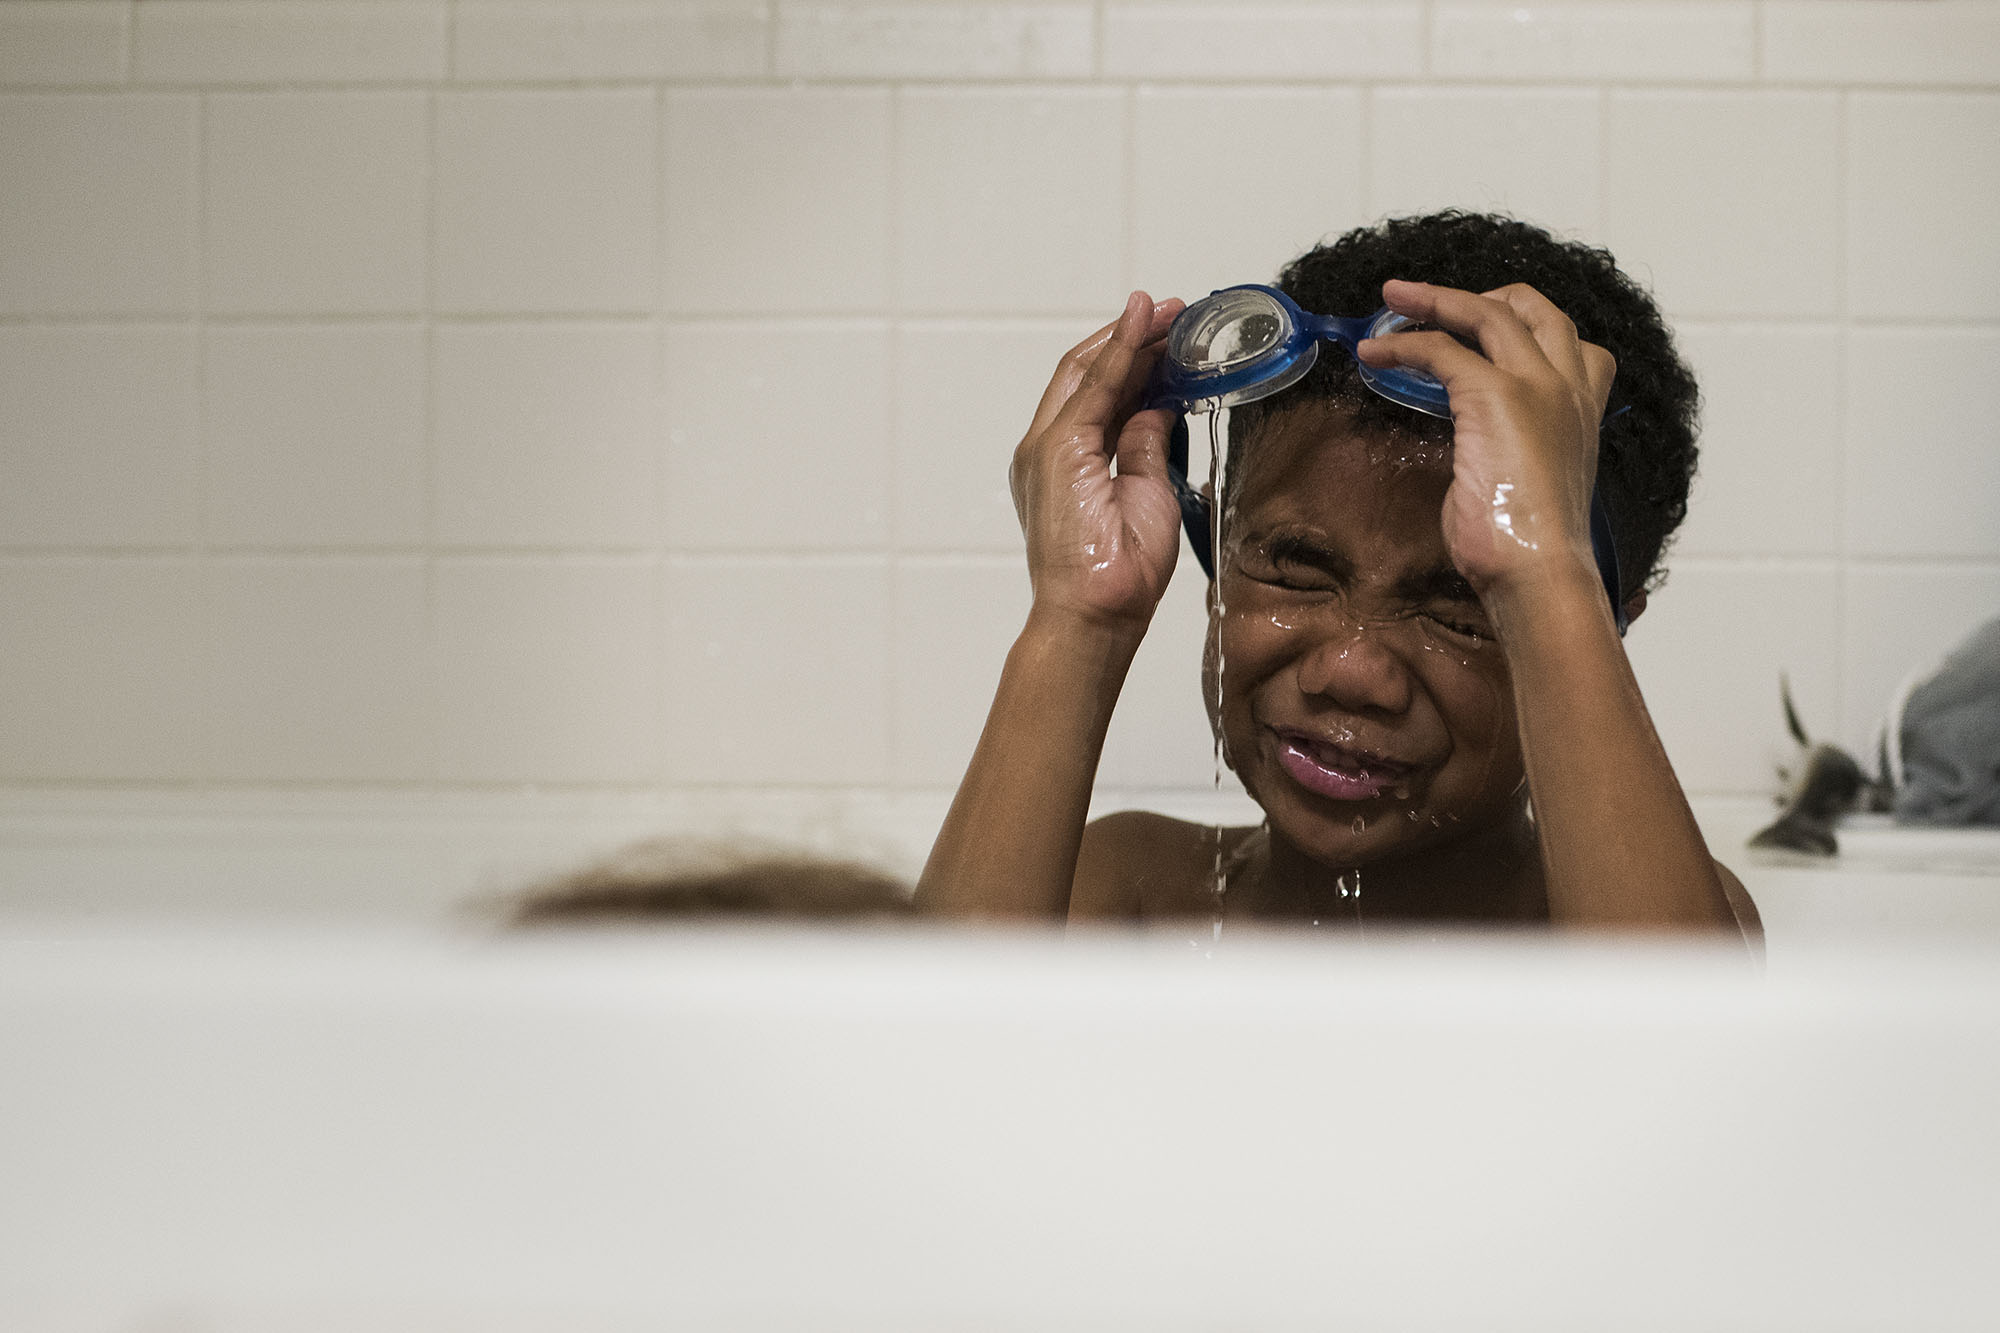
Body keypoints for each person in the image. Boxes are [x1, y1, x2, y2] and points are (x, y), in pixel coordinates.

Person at [915, 211, 1760, 938]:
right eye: (1295, 573)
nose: (1353, 671)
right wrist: (1078, 619)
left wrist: (1540, 566)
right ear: (1216, 556)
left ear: (1591, 630)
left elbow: (1694, 1085)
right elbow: (904, 1079)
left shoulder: (1658, 922)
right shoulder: (1126, 895)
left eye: (1465, 605)